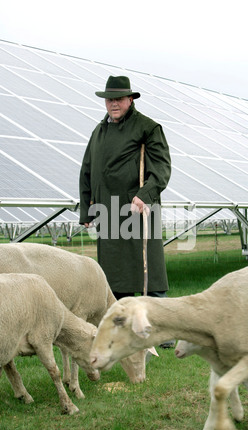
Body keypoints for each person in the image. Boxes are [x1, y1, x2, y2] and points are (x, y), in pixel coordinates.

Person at [79, 76, 172, 344]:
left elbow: (161, 168)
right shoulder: (99, 131)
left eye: (119, 99)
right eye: (109, 99)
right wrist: (86, 209)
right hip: (107, 212)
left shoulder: (147, 128)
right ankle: (121, 327)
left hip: (138, 210)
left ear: (130, 100)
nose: (113, 104)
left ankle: (161, 333)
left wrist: (145, 195)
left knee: (149, 272)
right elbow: (87, 170)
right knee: (113, 274)